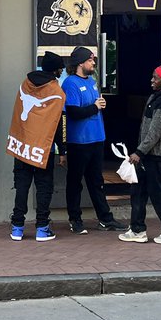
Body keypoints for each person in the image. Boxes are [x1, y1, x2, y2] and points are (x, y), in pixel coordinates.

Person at [61, 46, 125, 234]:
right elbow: (72, 112)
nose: (93, 63)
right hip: (78, 141)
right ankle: (75, 219)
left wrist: (100, 105)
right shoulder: (70, 83)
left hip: (97, 137)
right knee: (75, 182)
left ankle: (105, 218)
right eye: (90, 60)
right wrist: (95, 106)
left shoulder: (93, 81)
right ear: (80, 63)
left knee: (97, 181)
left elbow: (94, 105)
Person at [118, 64, 161, 244]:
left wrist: (139, 151)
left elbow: (155, 132)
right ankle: (137, 229)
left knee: (157, 193)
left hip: (154, 155)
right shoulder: (157, 97)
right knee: (137, 191)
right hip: (148, 155)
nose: (151, 80)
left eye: (155, 78)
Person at [6, 51, 66, 242]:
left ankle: (17, 227)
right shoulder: (56, 92)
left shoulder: (26, 84)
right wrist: (62, 150)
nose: (62, 70)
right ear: (56, 70)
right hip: (43, 149)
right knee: (44, 187)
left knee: (21, 186)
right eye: (61, 68)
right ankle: (42, 227)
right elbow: (60, 123)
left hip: (22, 145)